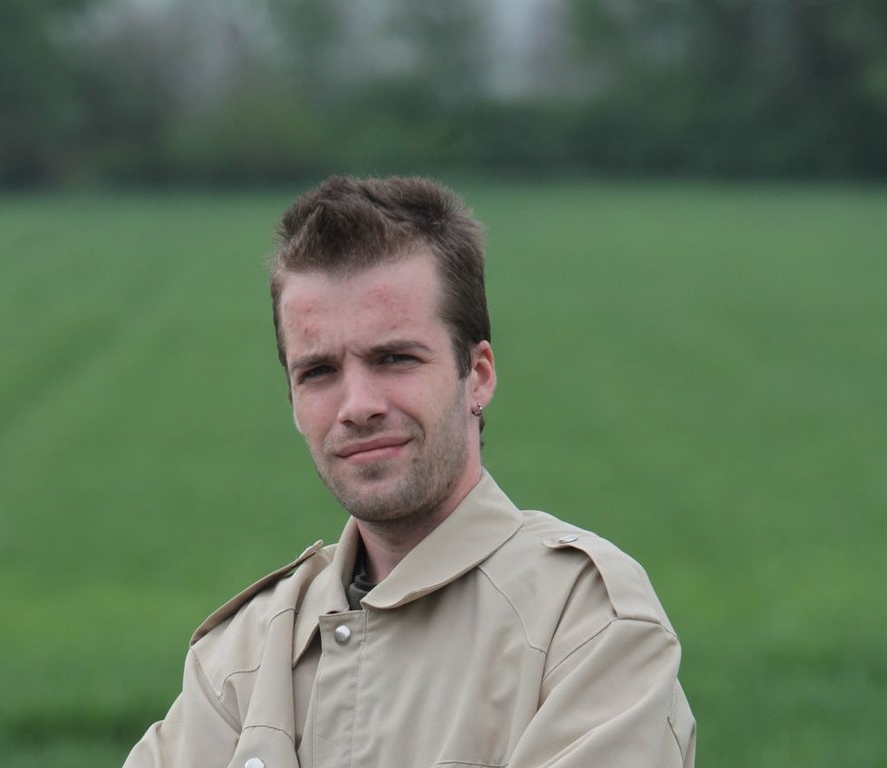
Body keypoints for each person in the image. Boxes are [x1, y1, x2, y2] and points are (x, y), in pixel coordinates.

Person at [124, 176, 696, 768]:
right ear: (292, 400)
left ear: (478, 375)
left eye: (395, 358)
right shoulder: (241, 657)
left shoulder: (586, 624)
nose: (357, 406)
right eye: (318, 372)